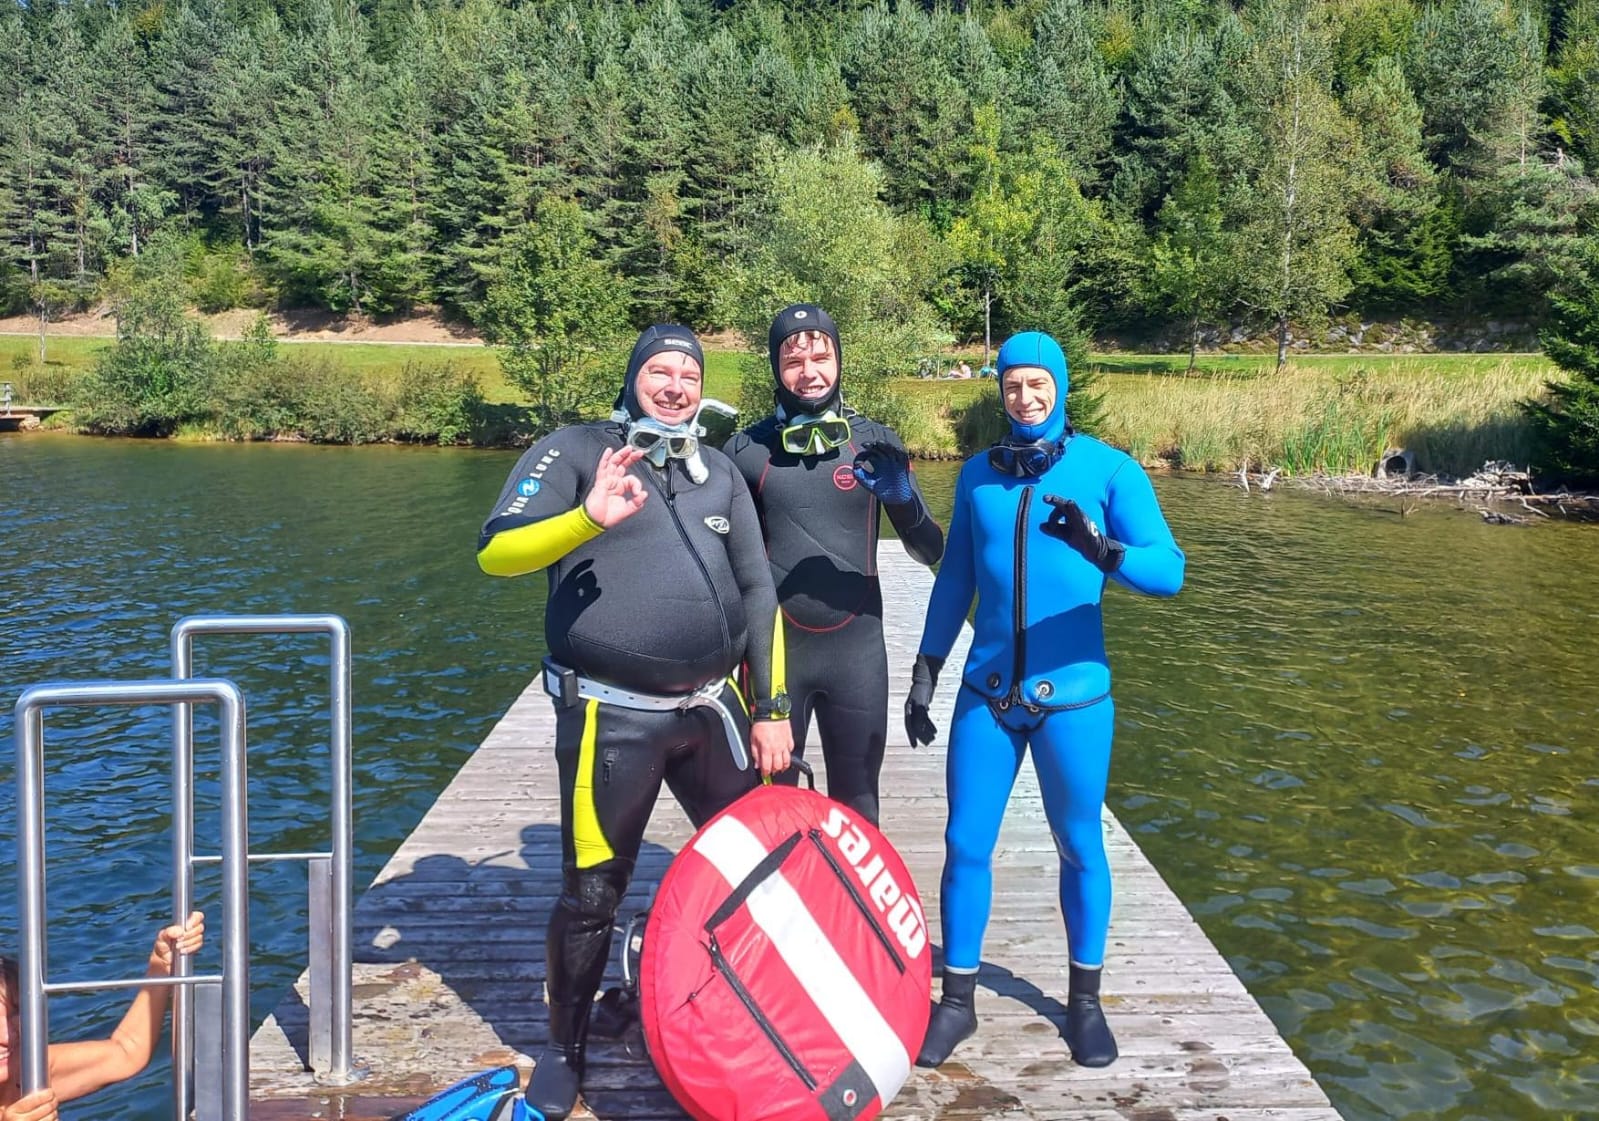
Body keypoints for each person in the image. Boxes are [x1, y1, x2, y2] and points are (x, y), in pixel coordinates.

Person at [477, 324, 794, 1121]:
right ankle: (565, 1046)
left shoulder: (718, 472)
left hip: (713, 709)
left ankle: (692, 987)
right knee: (592, 892)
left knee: (758, 866)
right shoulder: (577, 450)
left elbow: (758, 590)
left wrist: (771, 706)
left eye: (690, 373)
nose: (676, 384)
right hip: (609, 716)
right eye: (660, 369)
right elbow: (496, 553)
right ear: (632, 377)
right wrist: (586, 518)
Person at [905, 331, 1184, 1070]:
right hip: (987, 692)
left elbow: (1170, 572)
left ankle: (1083, 1002)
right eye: (1012, 385)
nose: (1025, 397)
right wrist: (927, 667)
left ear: (1059, 386)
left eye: (1038, 384)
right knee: (966, 843)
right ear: (1000, 391)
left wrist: (1105, 552)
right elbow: (956, 577)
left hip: (1075, 701)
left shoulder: (1110, 470)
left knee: (1078, 843)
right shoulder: (978, 475)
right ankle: (956, 1001)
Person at [723, 304, 943, 826]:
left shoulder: (876, 442)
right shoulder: (745, 451)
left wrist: (902, 500)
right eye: (793, 361)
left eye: (821, 357)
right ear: (775, 368)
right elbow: (727, 569)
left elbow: (930, 552)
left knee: (859, 804)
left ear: (839, 360)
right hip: (777, 656)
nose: (809, 372)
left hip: (857, 653)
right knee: (771, 808)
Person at [1, 913, 205, 1121]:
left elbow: (126, 1051)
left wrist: (161, 965)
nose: (7, 1037)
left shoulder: (25, 1068)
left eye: (13, 1015)